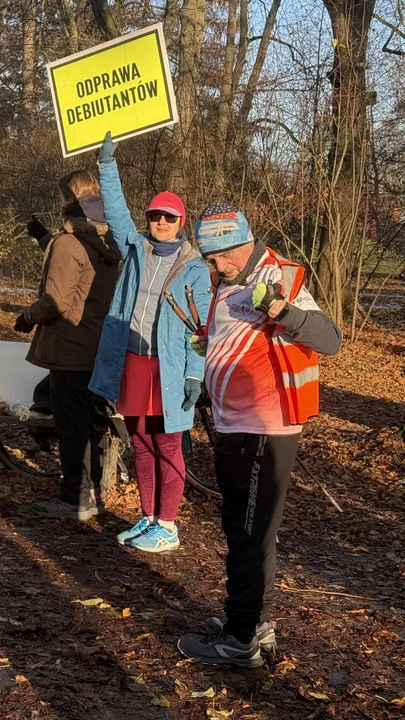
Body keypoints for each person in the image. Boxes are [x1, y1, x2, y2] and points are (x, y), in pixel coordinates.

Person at [177, 202, 341, 667]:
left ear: (244, 241)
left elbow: (330, 339)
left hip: (264, 428)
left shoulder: (278, 276)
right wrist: (210, 350)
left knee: (247, 533)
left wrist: (283, 310)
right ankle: (256, 624)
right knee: (251, 531)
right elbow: (247, 339)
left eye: (221, 256)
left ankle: (239, 638)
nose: (215, 266)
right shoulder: (226, 278)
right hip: (236, 423)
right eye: (209, 257)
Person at [88, 132, 211, 553]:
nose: (161, 222)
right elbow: (117, 211)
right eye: (156, 216)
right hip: (133, 362)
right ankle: (148, 517)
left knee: (168, 442)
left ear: (182, 222)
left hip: (170, 368)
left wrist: (196, 373)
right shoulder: (136, 248)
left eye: (169, 218)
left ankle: (169, 525)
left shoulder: (195, 268)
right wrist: (107, 165)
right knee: (139, 438)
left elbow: (201, 329)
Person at [15, 170, 121, 520]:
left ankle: (73, 498)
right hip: (97, 344)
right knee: (86, 423)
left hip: (69, 346)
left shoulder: (68, 242)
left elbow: (56, 301)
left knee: (71, 427)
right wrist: (44, 236)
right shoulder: (108, 241)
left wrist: (27, 317)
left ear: (66, 200)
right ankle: (90, 497)